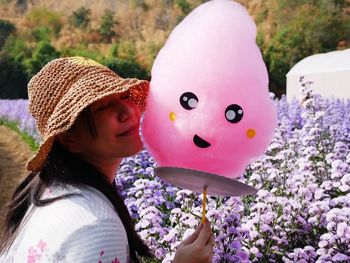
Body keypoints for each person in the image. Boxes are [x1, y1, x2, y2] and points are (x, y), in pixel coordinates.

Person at [0, 57, 214, 263]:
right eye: (103, 107)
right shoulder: (95, 225)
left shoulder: (48, 192)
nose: (127, 112)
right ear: (69, 138)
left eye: (124, 96)